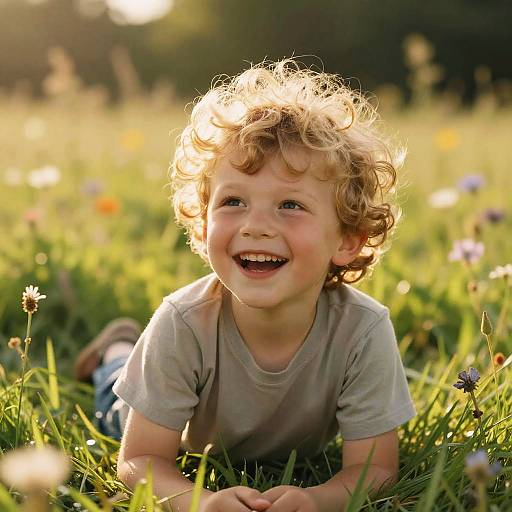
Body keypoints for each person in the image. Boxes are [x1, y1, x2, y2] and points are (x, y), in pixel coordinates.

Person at [75, 58, 416, 512]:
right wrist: (199, 501)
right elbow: (140, 458)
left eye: (290, 205)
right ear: (203, 222)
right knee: (114, 402)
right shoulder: (183, 322)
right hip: (166, 422)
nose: (256, 226)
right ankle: (116, 351)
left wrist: (316, 500)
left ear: (348, 240)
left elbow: (374, 469)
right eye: (233, 201)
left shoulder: (363, 331)